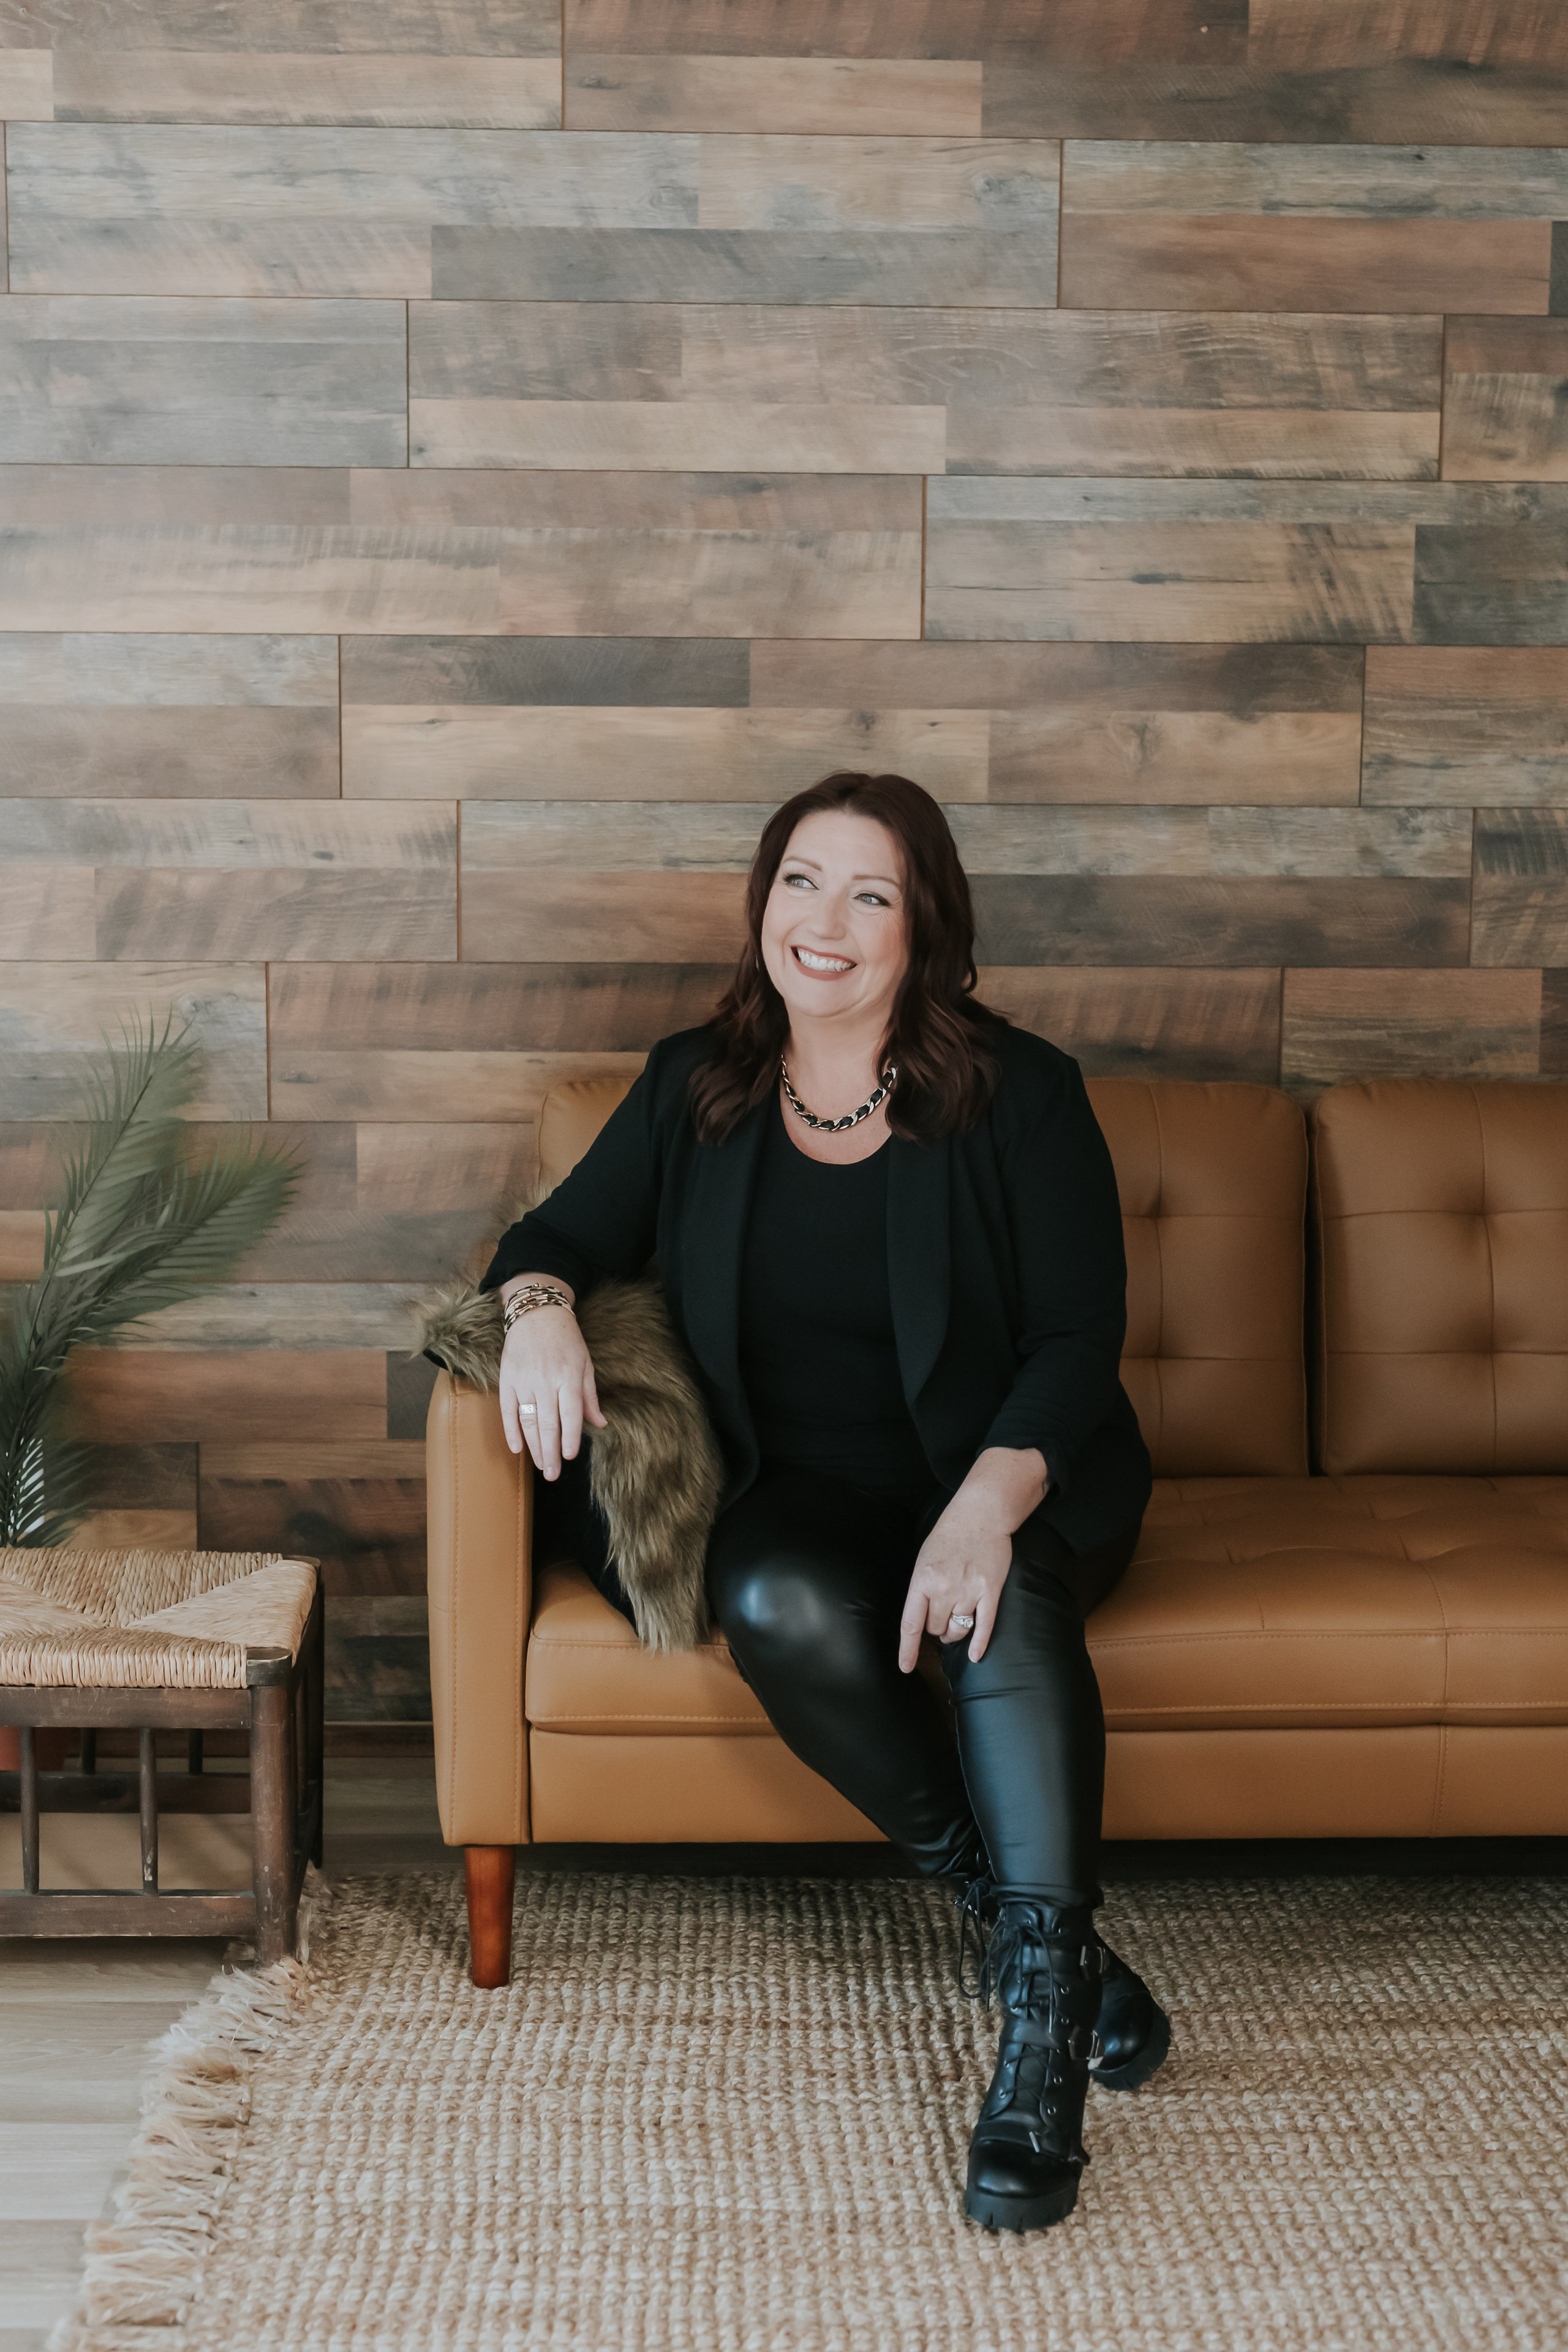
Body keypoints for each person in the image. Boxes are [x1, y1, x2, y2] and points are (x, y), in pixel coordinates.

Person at [477, 769, 1166, 2234]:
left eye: (872, 892)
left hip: (1012, 1470)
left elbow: (1073, 1340)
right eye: (801, 880)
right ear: (762, 905)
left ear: (925, 925)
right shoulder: (695, 1085)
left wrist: (985, 1508)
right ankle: (1016, 1925)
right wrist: (538, 1311)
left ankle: (1036, 2042)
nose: (827, 921)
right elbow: (549, 1235)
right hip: (815, 1492)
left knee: (1002, 1597)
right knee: (764, 1592)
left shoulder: (1017, 1090)